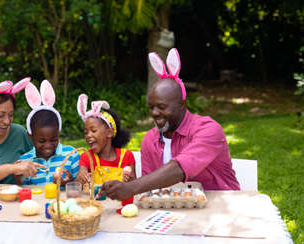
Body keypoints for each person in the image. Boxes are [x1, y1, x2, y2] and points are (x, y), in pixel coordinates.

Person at [100, 48, 240, 201]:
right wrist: (131, 183)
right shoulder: (149, 140)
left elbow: (180, 168)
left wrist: (131, 188)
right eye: (151, 107)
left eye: (161, 107)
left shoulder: (208, 129)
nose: (154, 113)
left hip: (220, 205)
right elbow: (151, 189)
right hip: (172, 210)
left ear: (181, 104)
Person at [15, 80, 79, 186]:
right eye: (41, 141)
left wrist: (69, 182)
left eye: (53, 139)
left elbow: (80, 186)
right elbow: (23, 188)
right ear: (30, 136)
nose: (48, 145)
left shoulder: (71, 155)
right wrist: (17, 176)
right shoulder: (26, 161)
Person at [75, 94, 136, 187]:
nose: (88, 135)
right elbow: (78, 186)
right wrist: (80, 178)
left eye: (93, 130)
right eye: (86, 132)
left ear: (109, 133)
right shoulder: (86, 157)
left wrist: (130, 181)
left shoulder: (126, 157)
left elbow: (135, 187)